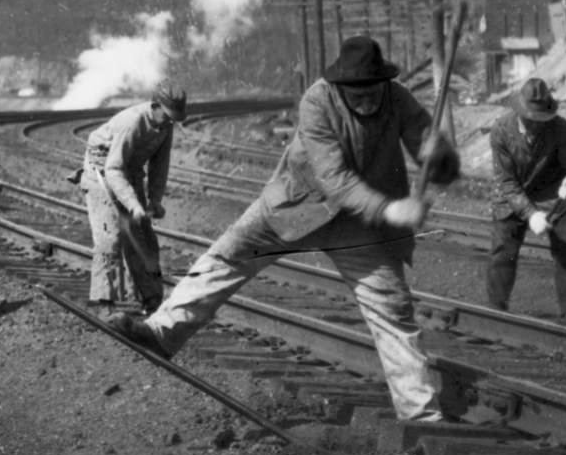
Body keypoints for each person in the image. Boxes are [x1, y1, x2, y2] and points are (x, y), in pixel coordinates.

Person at [107, 37, 461, 422]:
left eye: (372, 92)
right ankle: (161, 333)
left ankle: (421, 414)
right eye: (356, 94)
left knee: (392, 308)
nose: (366, 102)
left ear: (383, 83)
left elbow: (427, 142)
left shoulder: (398, 96)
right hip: (296, 206)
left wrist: (437, 155)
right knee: (225, 257)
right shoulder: (317, 101)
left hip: (360, 227)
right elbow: (334, 178)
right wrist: (392, 209)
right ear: (340, 86)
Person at [482, 78, 566, 328]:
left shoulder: (561, 128)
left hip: (553, 192)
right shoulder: (501, 129)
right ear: (520, 112)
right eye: (531, 118)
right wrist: (531, 214)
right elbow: (506, 181)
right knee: (504, 250)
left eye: (540, 119)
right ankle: (496, 309)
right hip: (511, 194)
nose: (536, 124)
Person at [78, 85, 182, 318]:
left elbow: (159, 164)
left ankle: (152, 301)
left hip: (129, 171)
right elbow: (113, 168)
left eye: (173, 118)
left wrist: (154, 200)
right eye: (166, 115)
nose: (169, 121)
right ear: (155, 106)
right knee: (111, 237)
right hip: (101, 169)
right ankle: (104, 303)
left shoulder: (166, 125)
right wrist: (134, 204)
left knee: (144, 238)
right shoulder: (133, 122)